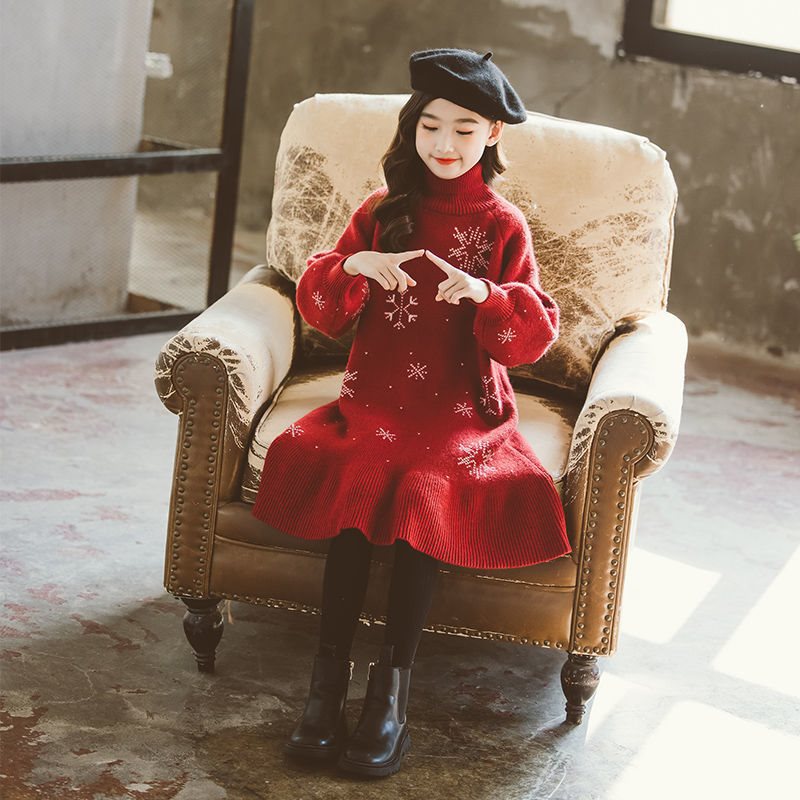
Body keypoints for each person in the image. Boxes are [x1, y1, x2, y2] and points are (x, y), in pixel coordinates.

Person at [251, 47, 572, 778]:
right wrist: (353, 266)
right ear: (411, 128)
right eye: (430, 126)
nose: (444, 143)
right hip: (374, 400)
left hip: (460, 410)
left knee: (426, 484)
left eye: (464, 128)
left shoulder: (502, 224)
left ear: (493, 133)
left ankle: (388, 696)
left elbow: (529, 337)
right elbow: (322, 306)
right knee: (360, 471)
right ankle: (325, 687)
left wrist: (487, 296)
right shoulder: (379, 209)